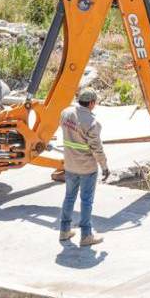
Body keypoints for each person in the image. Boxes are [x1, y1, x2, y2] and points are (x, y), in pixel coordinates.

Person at [59, 88, 109, 247]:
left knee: (69, 197)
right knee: (86, 201)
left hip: (70, 165)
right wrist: (105, 166)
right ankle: (86, 235)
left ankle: (64, 230)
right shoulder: (92, 122)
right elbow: (97, 149)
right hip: (87, 168)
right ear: (92, 103)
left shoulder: (65, 113)